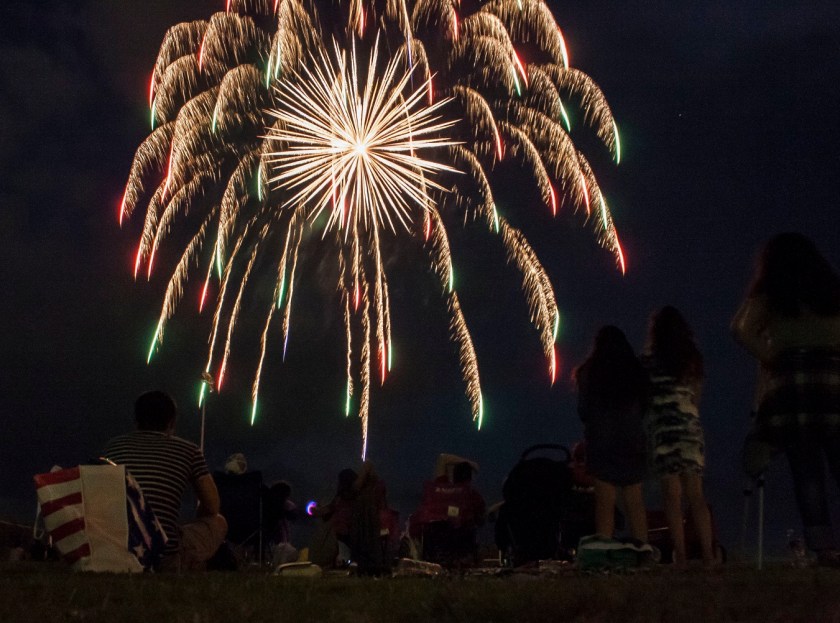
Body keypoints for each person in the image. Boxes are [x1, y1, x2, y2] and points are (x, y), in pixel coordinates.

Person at [732, 232, 840, 566]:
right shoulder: (831, 290)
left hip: (791, 384)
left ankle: (824, 548)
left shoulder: (772, 293)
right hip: (832, 381)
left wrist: (770, 355)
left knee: (807, 470)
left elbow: (739, 329)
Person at [103, 390, 227, 571]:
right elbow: (213, 505)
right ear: (171, 422)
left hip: (115, 551)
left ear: (136, 420)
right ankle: (189, 562)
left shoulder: (113, 448)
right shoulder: (189, 451)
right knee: (219, 522)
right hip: (163, 556)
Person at [642, 306, 715, 566]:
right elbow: (696, 396)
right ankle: (708, 555)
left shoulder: (648, 361)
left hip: (663, 431)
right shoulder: (691, 359)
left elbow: (645, 397)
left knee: (671, 496)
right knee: (696, 495)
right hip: (689, 429)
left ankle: (681, 556)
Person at [574, 325, 649, 543]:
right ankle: (643, 550)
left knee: (604, 503)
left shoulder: (589, 372)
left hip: (601, 442)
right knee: (635, 502)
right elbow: (645, 406)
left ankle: (604, 551)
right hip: (631, 440)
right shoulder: (636, 371)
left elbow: (583, 411)